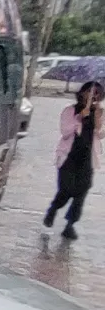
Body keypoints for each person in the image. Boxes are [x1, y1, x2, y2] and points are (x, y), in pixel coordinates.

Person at [45, 80, 105, 240]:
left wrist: (98, 118)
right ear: (83, 93)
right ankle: (53, 209)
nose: (94, 96)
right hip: (68, 157)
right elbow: (65, 132)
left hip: (87, 159)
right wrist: (80, 117)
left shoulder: (99, 112)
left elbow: (100, 134)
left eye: (98, 94)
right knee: (66, 190)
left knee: (81, 192)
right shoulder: (70, 111)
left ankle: (70, 224)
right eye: (91, 92)